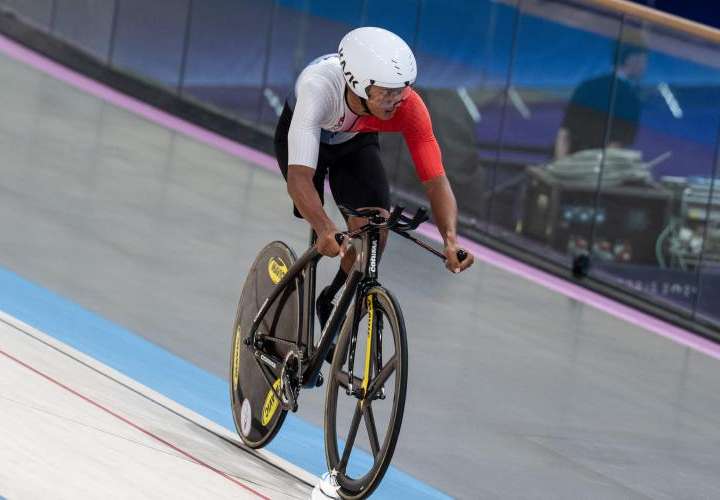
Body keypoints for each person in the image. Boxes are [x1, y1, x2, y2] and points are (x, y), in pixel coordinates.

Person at [273, 27, 474, 346]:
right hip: (305, 133)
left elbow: (436, 180)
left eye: (402, 90)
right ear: (357, 82)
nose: (396, 100)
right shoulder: (319, 87)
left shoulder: (409, 107)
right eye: (386, 92)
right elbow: (299, 178)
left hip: (355, 141)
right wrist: (325, 227)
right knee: (321, 224)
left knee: (374, 230)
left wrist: (450, 239)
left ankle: (333, 297)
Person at [555, 43, 647, 159]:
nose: (644, 67)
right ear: (630, 60)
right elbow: (616, 145)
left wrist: (561, 167)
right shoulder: (631, 99)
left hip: (569, 165)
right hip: (594, 170)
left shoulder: (587, 86)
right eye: (643, 61)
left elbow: (564, 134)